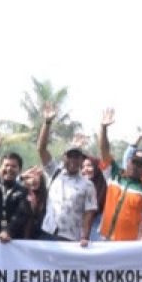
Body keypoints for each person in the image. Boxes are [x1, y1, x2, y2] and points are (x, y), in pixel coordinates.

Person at [36, 103, 97, 245]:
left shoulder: (87, 185)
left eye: (77, 157)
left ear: (82, 160)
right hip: (47, 232)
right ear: (65, 157)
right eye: (70, 156)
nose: (73, 160)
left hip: (70, 238)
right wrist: (47, 122)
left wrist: (85, 237)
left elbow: (89, 213)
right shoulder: (54, 172)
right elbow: (41, 148)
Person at [96, 108, 142, 241]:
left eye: (140, 164)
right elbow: (104, 151)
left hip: (128, 248)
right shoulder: (115, 174)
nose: (135, 167)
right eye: (133, 162)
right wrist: (104, 129)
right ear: (127, 162)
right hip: (104, 241)